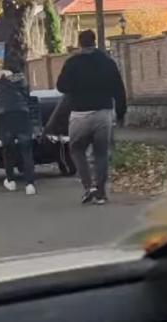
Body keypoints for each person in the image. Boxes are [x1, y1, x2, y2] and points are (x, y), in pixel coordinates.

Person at [56, 30, 127, 205]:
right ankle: (101, 193)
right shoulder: (108, 62)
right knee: (101, 153)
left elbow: (61, 86)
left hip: (80, 113)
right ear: (94, 41)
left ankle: (89, 187)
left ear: (80, 43)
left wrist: (76, 86)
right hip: (103, 113)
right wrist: (121, 112)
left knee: (76, 149)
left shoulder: (72, 63)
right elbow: (119, 89)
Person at [0, 64, 37, 195]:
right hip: (22, 116)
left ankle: (11, 181)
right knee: (26, 150)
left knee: (8, 149)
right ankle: (30, 184)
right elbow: (29, 98)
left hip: (6, 118)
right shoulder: (20, 84)